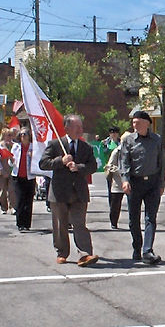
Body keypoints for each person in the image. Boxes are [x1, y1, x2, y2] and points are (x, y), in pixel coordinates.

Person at [39, 114, 99, 267]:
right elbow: (43, 163)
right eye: (76, 127)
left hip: (79, 192)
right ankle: (62, 252)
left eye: (81, 126)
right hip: (59, 192)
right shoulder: (55, 145)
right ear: (67, 128)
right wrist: (61, 161)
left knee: (79, 223)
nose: (80, 129)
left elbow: (93, 166)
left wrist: (78, 167)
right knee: (61, 225)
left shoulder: (86, 147)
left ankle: (85, 254)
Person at [117, 110, 165, 264]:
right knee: (134, 218)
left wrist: (161, 183)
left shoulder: (157, 140)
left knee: (151, 218)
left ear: (147, 123)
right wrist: (125, 180)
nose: (134, 125)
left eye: (137, 122)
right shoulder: (128, 140)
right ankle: (137, 247)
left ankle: (147, 251)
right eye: (133, 122)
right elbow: (124, 161)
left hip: (152, 184)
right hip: (134, 183)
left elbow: (161, 163)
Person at [11, 128, 36, 232]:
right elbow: (11, 163)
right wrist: (11, 160)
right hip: (18, 176)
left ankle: (27, 224)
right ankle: (20, 223)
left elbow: (38, 161)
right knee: (20, 199)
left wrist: (33, 157)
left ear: (29, 136)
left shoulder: (33, 147)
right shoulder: (16, 147)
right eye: (21, 134)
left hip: (30, 177)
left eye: (25, 134)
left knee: (28, 201)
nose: (23, 136)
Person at [104, 133, 129, 230]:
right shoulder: (117, 151)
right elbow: (109, 166)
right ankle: (113, 222)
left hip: (131, 182)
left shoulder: (134, 150)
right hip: (118, 182)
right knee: (115, 204)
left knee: (133, 204)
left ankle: (134, 223)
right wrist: (120, 170)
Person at [0, 128, 17, 214]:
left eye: (11, 135)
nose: (10, 137)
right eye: (8, 135)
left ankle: (13, 207)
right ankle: (4, 207)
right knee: (3, 191)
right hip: (2, 171)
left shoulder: (15, 145)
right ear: (3, 136)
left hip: (12, 171)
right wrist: (2, 170)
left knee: (12, 190)